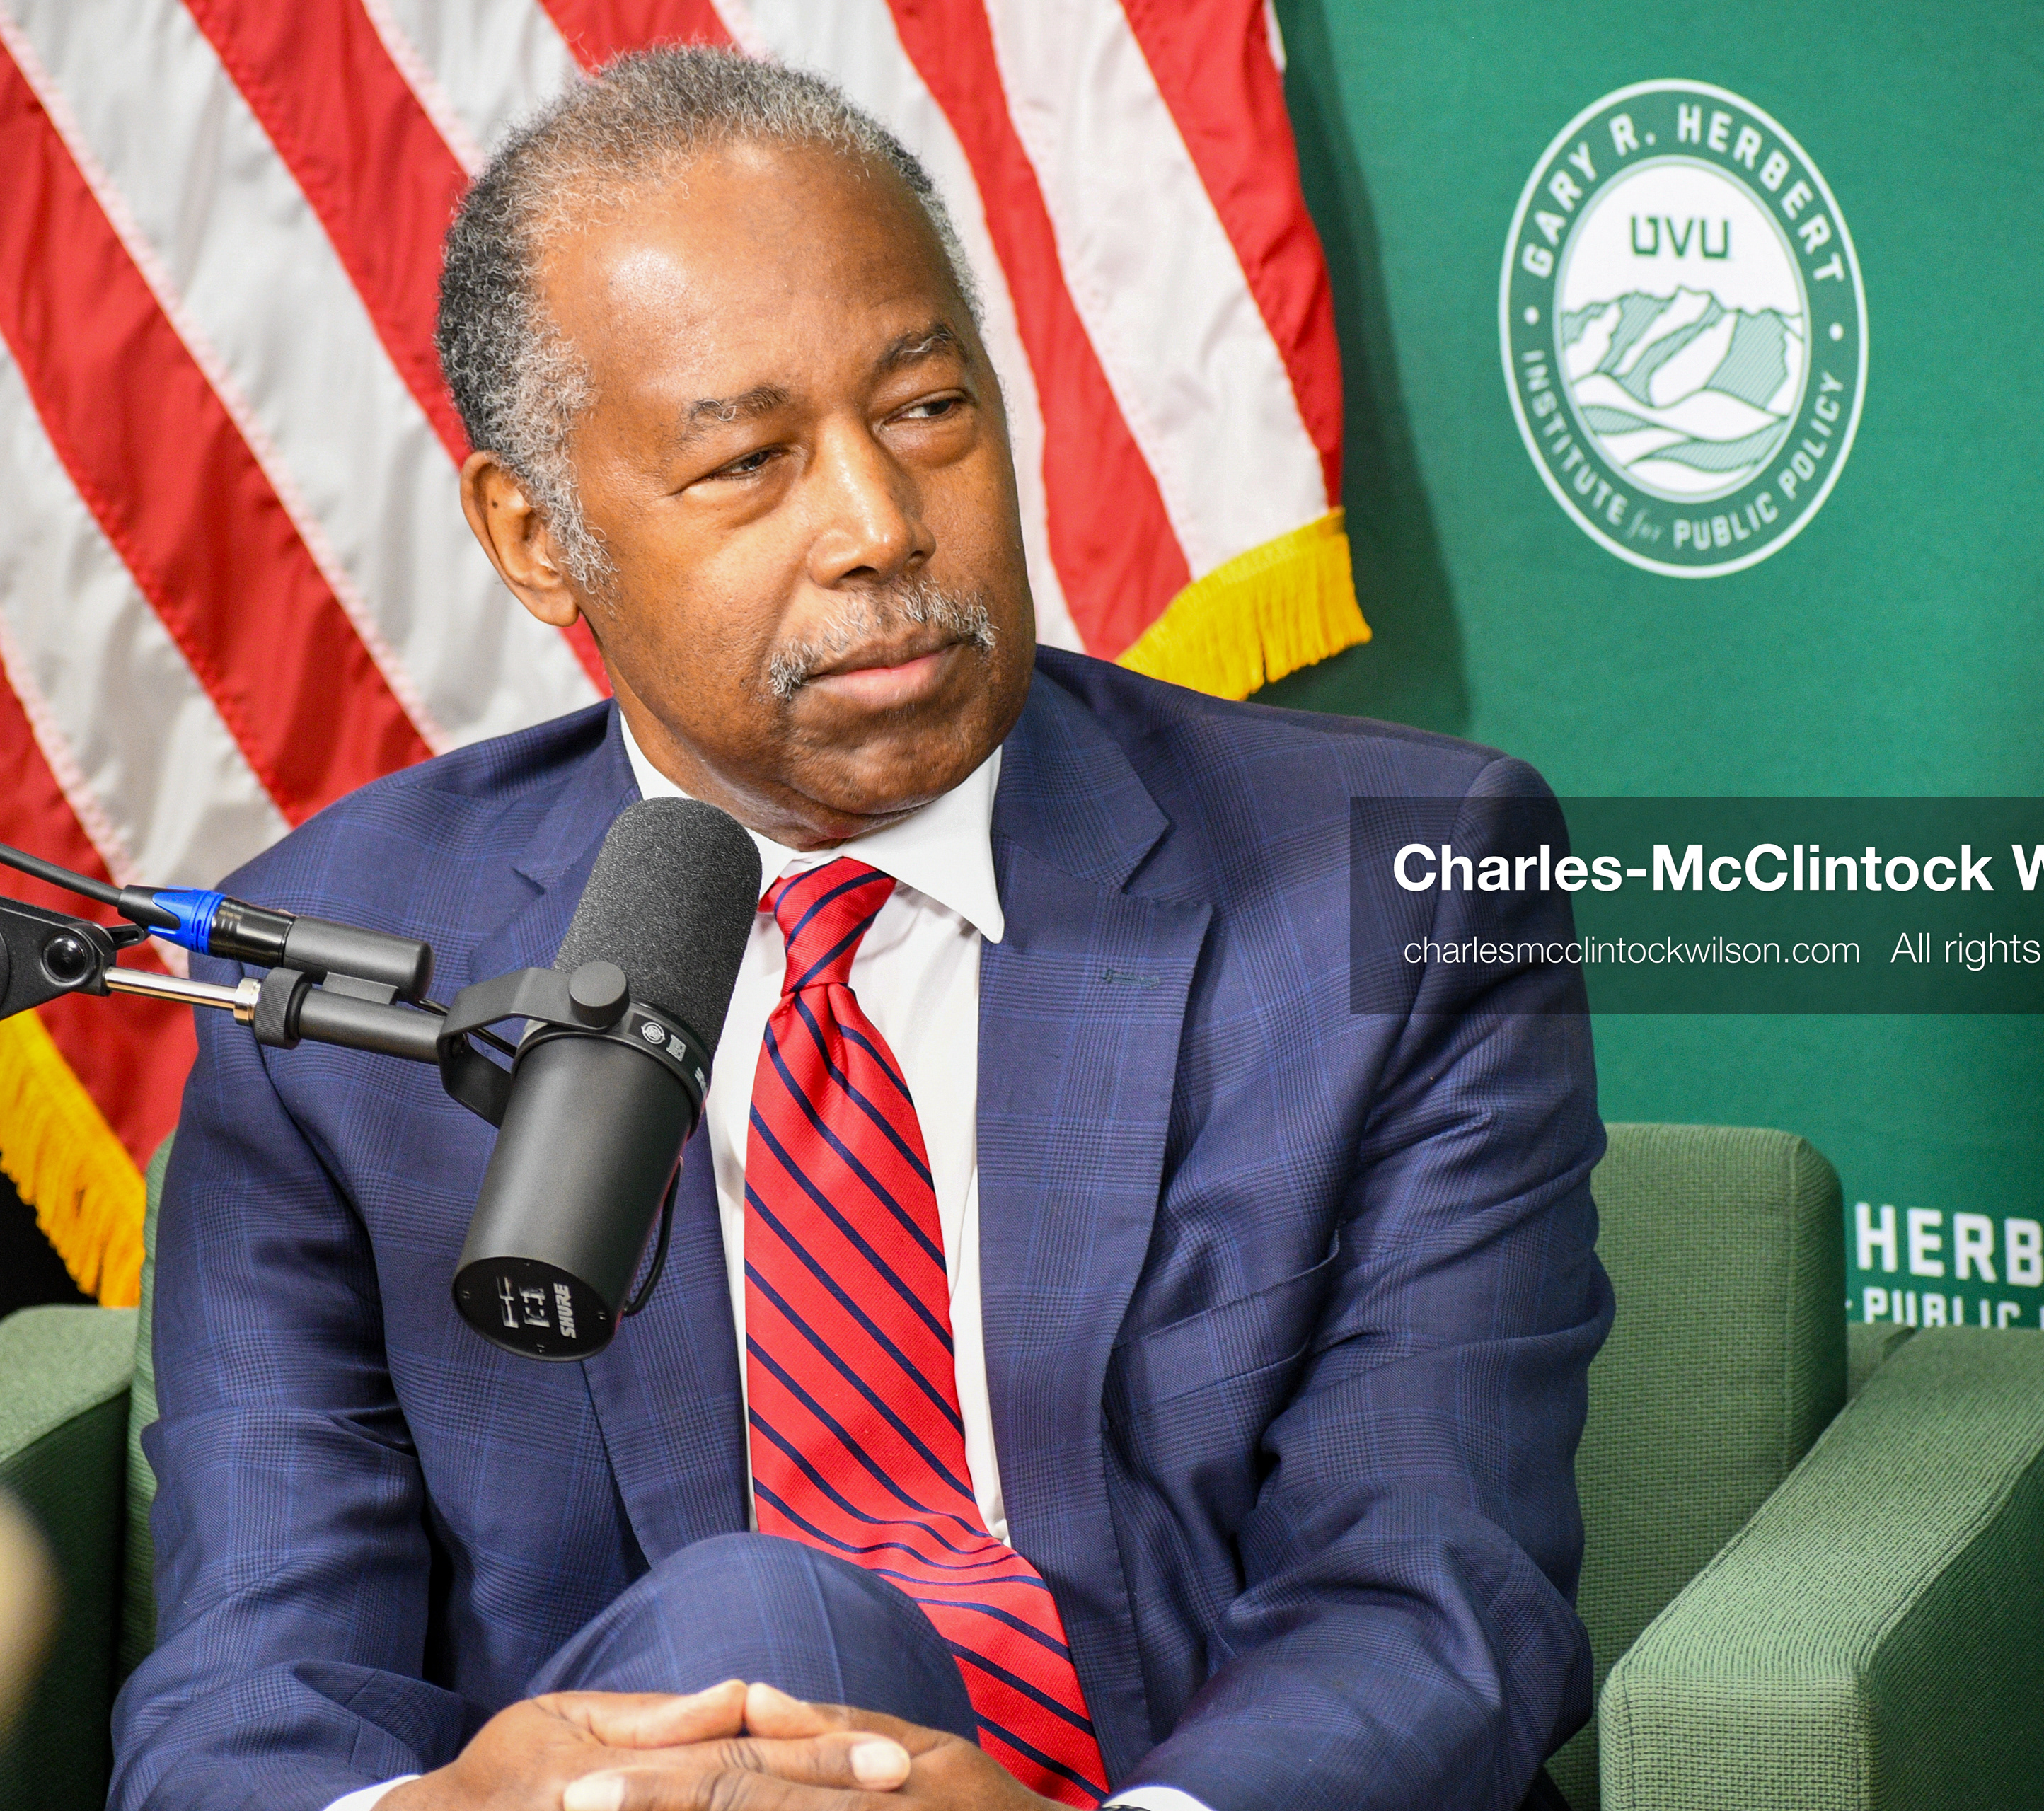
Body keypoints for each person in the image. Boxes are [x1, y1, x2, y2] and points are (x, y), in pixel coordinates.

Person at [115, 49, 1608, 1811]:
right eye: (749, 461)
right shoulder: (353, 970)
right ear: (537, 536)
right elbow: (254, 1687)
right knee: (765, 1631)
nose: (882, 526)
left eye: (926, 410)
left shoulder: (1399, 885)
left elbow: (1432, 1604)